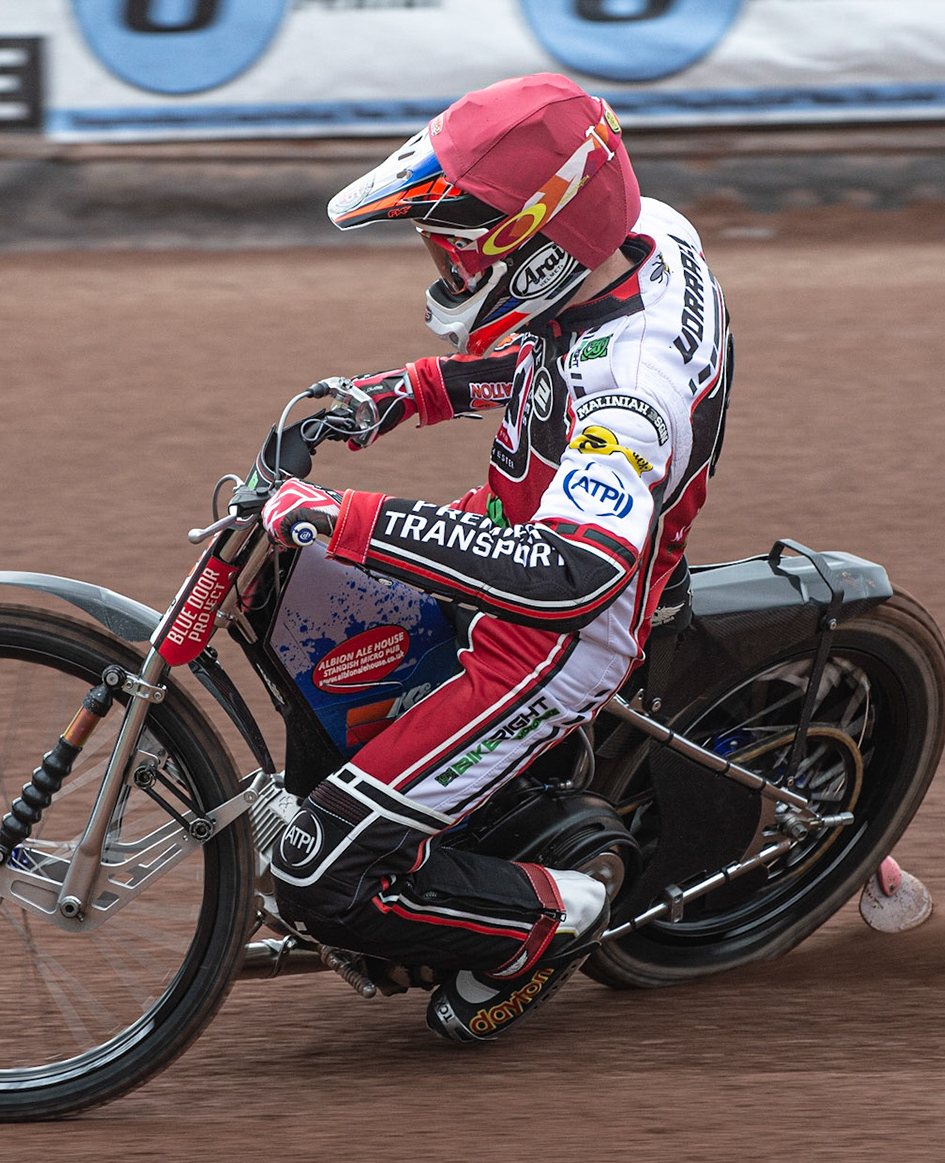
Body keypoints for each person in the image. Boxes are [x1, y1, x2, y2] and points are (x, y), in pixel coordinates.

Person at [259, 73, 732, 1043]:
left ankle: (548, 919)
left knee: (313, 875)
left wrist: (346, 516)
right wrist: (407, 392)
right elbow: (548, 358)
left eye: (459, 247)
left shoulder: (630, 396)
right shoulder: (640, 231)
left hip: (554, 640)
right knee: (299, 596)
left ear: (546, 244)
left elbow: (567, 579)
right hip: (517, 519)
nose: (444, 265)